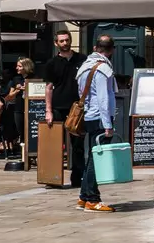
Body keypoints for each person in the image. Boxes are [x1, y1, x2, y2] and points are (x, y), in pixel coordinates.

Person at [74, 34, 118, 212]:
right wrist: (108, 125)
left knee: (92, 157)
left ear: (95, 48)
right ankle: (92, 199)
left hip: (89, 116)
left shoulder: (84, 66)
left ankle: (84, 197)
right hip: (100, 118)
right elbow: (103, 99)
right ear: (111, 50)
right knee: (97, 160)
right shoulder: (102, 69)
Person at [42, 30, 85, 193]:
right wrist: (48, 110)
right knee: (54, 144)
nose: (65, 43)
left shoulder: (82, 59)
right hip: (58, 107)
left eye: (67, 40)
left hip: (77, 108)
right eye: (62, 41)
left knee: (78, 144)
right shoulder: (52, 63)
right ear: (56, 44)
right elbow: (48, 88)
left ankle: (77, 177)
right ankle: (53, 178)